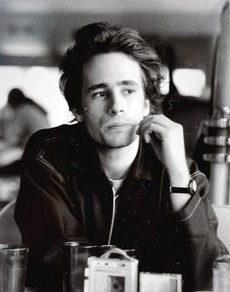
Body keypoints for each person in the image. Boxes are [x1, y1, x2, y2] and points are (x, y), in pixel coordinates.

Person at [14, 22, 227, 292]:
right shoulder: (48, 154)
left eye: (128, 90)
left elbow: (209, 277)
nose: (117, 107)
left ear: (146, 105)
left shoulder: (180, 170)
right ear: (79, 109)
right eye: (101, 93)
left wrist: (178, 173)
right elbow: (55, 264)